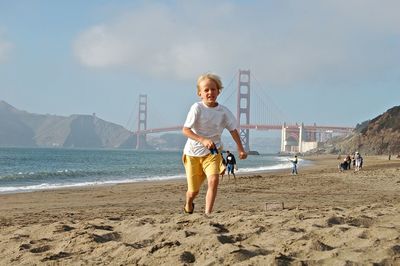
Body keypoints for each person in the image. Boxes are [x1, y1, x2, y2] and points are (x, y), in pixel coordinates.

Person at [182, 73, 248, 215]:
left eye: (213, 89)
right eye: (206, 90)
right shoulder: (197, 108)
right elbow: (186, 130)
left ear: (218, 91)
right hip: (192, 154)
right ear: (200, 93)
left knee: (214, 180)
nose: (210, 92)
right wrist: (203, 140)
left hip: (212, 153)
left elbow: (233, 130)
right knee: (193, 191)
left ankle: (208, 214)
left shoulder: (224, 112)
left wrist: (241, 149)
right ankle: (188, 202)